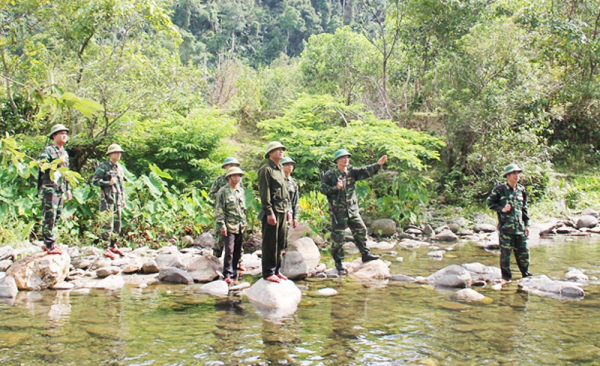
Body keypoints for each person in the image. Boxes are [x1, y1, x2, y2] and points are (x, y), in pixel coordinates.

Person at [320, 149, 388, 274]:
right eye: (342, 158)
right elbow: (323, 189)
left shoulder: (351, 172)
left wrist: (378, 164)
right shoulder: (330, 175)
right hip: (338, 212)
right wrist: (336, 188)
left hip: (352, 210)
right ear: (337, 160)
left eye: (347, 157)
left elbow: (365, 171)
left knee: (361, 230)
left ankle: (365, 254)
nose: (346, 160)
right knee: (338, 238)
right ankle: (338, 262)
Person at [487, 163, 532, 281]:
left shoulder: (521, 190)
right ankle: (506, 279)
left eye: (518, 173)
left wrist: (527, 225)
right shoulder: (500, 190)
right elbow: (490, 203)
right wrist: (501, 208)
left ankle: (526, 275)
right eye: (513, 173)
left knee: (524, 253)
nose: (516, 176)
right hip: (506, 229)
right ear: (507, 175)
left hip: (520, 229)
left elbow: (524, 208)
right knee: (505, 257)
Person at [258, 141, 290, 283]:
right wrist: (269, 212)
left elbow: (285, 191)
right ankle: (268, 272)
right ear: (270, 153)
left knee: (280, 242)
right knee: (270, 242)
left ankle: (277, 270)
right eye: (277, 150)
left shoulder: (280, 169)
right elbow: (264, 193)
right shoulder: (266, 169)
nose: (281, 151)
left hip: (283, 210)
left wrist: (288, 210)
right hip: (273, 211)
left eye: (282, 149)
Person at [38, 124, 72, 255]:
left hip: (60, 188)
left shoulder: (65, 153)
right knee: (50, 215)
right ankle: (49, 244)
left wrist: (68, 189)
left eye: (66, 133)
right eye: (61, 133)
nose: (64, 135)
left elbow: (66, 172)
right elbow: (42, 167)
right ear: (54, 136)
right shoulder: (48, 150)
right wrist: (57, 161)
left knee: (57, 215)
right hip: (49, 187)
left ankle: (51, 241)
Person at [92, 144, 127, 259]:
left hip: (117, 199)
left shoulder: (120, 168)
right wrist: (108, 183)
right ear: (110, 154)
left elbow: (121, 185)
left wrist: (123, 198)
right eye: (116, 152)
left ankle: (113, 245)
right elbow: (95, 181)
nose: (118, 154)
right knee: (107, 224)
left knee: (117, 224)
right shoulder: (104, 166)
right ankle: (105, 247)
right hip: (107, 199)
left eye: (120, 152)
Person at [215, 167, 247, 284]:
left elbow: (243, 209)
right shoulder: (223, 191)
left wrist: (245, 223)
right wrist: (222, 225)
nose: (237, 178)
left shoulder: (241, 191)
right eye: (235, 175)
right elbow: (219, 210)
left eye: (239, 175)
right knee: (229, 250)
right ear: (229, 177)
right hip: (229, 225)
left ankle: (233, 271)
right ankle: (227, 273)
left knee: (238, 250)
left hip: (240, 225)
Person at [281, 157, 300, 230]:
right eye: (287, 164)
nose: (290, 166)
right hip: (279, 212)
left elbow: (295, 201)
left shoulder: (293, 182)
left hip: (289, 214)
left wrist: (295, 218)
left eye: (291, 164)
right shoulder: (277, 180)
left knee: (285, 236)